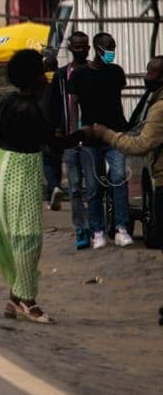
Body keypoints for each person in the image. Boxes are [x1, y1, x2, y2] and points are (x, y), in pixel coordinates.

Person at [0, 49, 82, 324]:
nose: (45, 76)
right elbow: (53, 142)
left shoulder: (8, 101)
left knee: (17, 235)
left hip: (2, 167)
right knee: (27, 237)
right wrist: (85, 135)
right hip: (21, 171)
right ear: (33, 76)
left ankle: (14, 299)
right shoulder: (29, 108)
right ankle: (29, 301)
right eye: (41, 71)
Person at [87, 55, 163, 240]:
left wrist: (106, 134)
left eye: (151, 72)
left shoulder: (159, 107)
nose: (146, 76)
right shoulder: (155, 101)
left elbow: (141, 145)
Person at [70, 31, 132, 249]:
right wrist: (75, 135)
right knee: (94, 186)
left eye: (113, 48)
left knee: (118, 178)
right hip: (90, 138)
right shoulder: (79, 75)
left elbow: (117, 101)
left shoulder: (116, 72)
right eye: (108, 49)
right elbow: (73, 105)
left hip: (115, 135)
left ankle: (121, 227)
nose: (111, 53)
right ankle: (97, 231)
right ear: (97, 49)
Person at [46, 32, 92, 248]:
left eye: (85, 45)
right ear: (71, 49)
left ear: (90, 48)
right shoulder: (62, 76)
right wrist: (55, 135)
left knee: (94, 188)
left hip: (94, 141)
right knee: (74, 188)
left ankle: (98, 226)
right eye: (77, 46)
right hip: (71, 141)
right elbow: (53, 107)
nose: (81, 49)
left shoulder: (97, 72)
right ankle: (81, 229)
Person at [38, 49, 65, 211]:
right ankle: (58, 187)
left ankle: (53, 188)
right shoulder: (62, 79)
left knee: (47, 159)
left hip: (43, 126)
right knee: (57, 158)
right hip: (61, 126)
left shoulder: (40, 83)